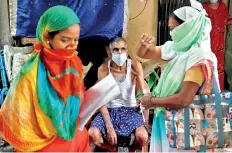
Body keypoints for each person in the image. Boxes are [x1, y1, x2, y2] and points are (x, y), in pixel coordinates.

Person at [0, 6, 90, 152]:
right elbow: (20, 118)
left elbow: (78, 101)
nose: (72, 46)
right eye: (65, 40)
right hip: (39, 139)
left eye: (76, 40)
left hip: (68, 129)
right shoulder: (30, 73)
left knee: (82, 136)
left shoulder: (73, 64)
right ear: (47, 37)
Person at [137, 0, 219, 152]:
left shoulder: (199, 56)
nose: (171, 33)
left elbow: (183, 99)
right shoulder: (177, 48)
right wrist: (144, 45)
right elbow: (143, 54)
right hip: (168, 119)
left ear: (188, 27)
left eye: (174, 28)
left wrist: (152, 101)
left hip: (185, 125)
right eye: (170, 28)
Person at [88, 37, 149, 152]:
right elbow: (101, 100)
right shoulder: (103, 70)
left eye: (123, 49)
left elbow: (145, 94)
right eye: (116, 50)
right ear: (109, 53)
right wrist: (109, 126)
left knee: (143, 136)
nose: (120, 53)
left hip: (130, 110)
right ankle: (113, 149)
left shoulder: (135, 65)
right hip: (110, 110)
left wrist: (145, 123)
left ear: (127, 50)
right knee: (92, 134)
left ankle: (130, 149)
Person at [203, 0, 232, 91]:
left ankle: (219, 90)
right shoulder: (203, 7)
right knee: (207, 66)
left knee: (219, 66)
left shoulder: (223, 6)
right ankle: (206, 91)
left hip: (219, 43)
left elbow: (226, 20)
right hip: (206, 41)